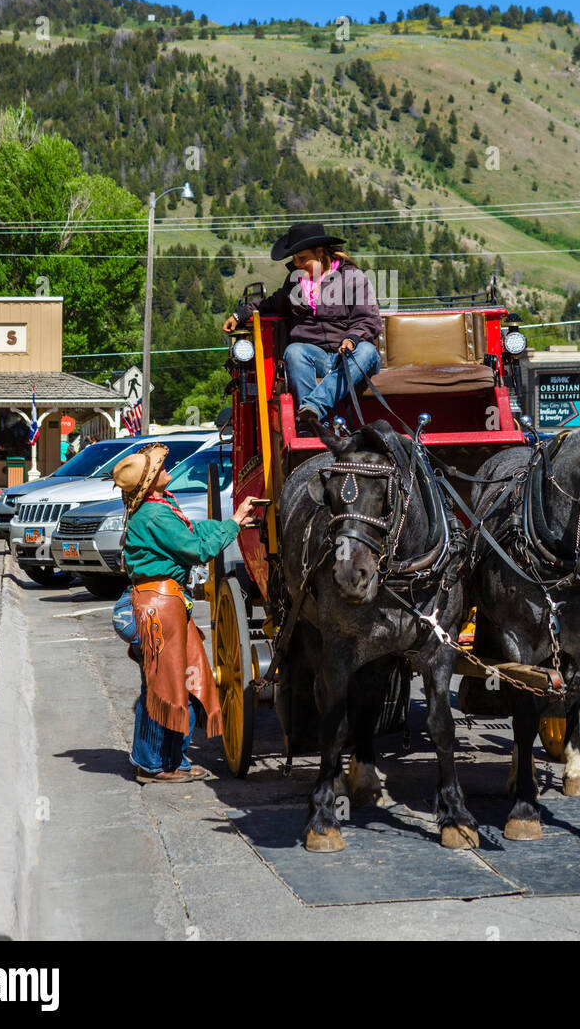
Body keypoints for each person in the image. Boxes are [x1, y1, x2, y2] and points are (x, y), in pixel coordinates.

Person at [112, 442, 259, 784]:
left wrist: (233, 521)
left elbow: (193, 534)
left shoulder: (158, 506)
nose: (166, 468)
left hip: (161, 603)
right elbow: (197, 549)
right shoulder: (155, 513)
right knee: (165, 688)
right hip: (158, 606)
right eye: (159, 467)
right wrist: (233, 528)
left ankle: (165, 761)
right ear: (149, 482)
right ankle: (155, 765)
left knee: (168, 686)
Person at [223, 222, 382, 430]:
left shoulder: (352, 278)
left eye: (302, 258)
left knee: (367, 350)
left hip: (349, 355)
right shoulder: (294, 282)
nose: (297, 264)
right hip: (316, 357)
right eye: (294, 259)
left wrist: (351, 338)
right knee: (295, 351)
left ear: (319, 253)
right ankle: (318, 426)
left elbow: (368, 319)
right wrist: (240, 313)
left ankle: (312, 411)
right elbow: (271, 303)